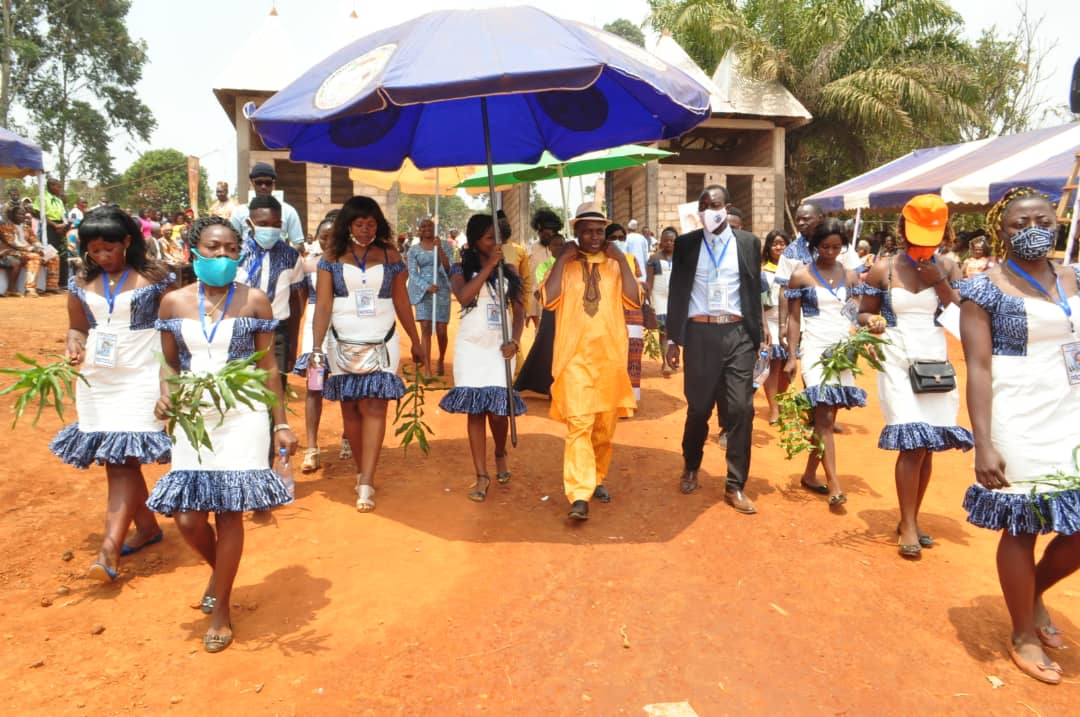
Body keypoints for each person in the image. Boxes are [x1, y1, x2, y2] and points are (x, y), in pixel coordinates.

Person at [148, 215, 296, 653]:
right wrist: (165, 395)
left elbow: (268, 366)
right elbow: (170, 365)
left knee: (229, 511)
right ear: (195, 252)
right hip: (194, 415)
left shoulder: (255, 301)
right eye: (214, 248)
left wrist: (282, 422)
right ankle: (220, 573)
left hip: (243, 414)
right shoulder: (172, 303)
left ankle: (222, 609)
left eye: (232, 249)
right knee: (189, 518)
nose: (223, 256)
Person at [958, 187, 1080, 686]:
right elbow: (979, 368)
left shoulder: (1074, 277)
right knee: (1025, 523)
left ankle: (1032, 592)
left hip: (1070, 410)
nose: (1032, 229)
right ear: (1000, 232)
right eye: (1017, 224)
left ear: (1058, 221)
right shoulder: (984, 288)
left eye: (1042, 219)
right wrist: (983, 441)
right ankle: (1022, 634)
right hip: (1017, 411)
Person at [48, 206, 174, 582]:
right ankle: (147, 528)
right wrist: (73, 345)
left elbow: (173, 328)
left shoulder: (155, 278)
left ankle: (108, 552)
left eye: (109, 248)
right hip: (98, 379)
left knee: (121, 462)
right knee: (119, 459)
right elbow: (77, 327)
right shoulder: (79, 283)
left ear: (128, 242)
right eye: (94, 250)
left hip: (141, 376)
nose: (102, 256)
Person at [855, 195, 971, 557]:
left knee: (929, 442)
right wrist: (870, 323)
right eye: (918, 235)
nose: (925, 244)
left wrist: (939, 281)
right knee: (912, 440)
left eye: (932, 237)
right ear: (904, 229)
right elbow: (860, 313)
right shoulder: (883, 268)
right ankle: (906, 523)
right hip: (895, 357)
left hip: (934, 360)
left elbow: (964, 316)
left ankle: (913, 518)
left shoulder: (950, 267)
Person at [310, 196, 424, 513]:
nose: (364, 229)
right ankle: (362, 469)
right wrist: (316, 348)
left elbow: (402, 302)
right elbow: (323, 306)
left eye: (371, 224)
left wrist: (415, 339)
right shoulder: (329, 258)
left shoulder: (391, 256)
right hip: (341, 342)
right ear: (348, 224)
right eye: (359, 224)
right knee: (351, 412)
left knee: (375, 406)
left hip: (383, 342)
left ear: (379, 225)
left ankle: (367, 480)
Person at [666, 185, 765, 514]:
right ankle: (691, 465)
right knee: (698, 409)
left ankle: (735, 484)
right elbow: (678, 292)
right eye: (704, 206)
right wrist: (671, 338)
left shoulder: (749, 244)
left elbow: (752, 292)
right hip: (700, 333)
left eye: (716, 205)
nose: (710, 211)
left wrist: (760, 334)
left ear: (728, 207)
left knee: (741, 409)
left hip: (738, 333)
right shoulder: (686, 244)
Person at [542, 204, 640, 520]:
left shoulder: (617, 264)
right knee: (580, 425)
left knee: (603, 428)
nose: (594, 237)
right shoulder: (564, 265)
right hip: (574, 358)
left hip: (609, 358)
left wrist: (621, 260)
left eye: (599, 231)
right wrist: (561, 259)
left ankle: (595, 477)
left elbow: (635, 299)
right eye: (587, 230)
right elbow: (547, 299)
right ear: (576, 233)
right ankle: (579, 494)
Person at [440, 213, 526, 500]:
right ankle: (481, 475)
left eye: (499, 237)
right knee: (476, 411)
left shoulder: (511, 270)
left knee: (499, 412)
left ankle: (500, 452)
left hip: (500, 348)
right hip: (471, 347)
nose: (496, 242)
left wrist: (515, 340)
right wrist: (489, 266)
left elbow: (519, 310)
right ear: (476, 240)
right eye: (490, 238)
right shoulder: (458, 268)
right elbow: (464, 296)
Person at [784, 218, 865, 507]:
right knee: (825, 417)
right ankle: (834, 484)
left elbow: (855, 314)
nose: (830, 252)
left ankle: (809, 474)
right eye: (825, 247)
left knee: (828, 416)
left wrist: (865, 339)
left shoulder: (852, 276)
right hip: (815, 349)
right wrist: (792, 356)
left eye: (836, 247)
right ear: (814, 246)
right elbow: (793, 318)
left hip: (842, 350)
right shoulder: (801, 275)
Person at [235, 194, 306, 382]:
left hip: (277, 333)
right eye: (263, 224)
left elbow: (296, 302)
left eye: (276, 225)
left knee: (274, 393)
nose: (271, 229)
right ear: (250, 224)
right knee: (243, 390)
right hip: (240, 331)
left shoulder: (291, 257)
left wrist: (292, 345)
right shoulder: (235, 254)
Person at [292, 216, 338, 473]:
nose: (328, 242)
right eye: (324, 237)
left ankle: (346, 439)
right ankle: (312, 447)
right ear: (317, 238)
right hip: (315, 329)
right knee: (314, 385)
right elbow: (302, 299)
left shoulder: (348, 264)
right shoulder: (308, 265)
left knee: (345, 384)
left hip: (342, 328)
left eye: (333, 237)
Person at [513, 232, 565, 397]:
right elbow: (542, 290)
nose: (559, 247)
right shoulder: (545, 266)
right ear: (549, 248)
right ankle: (550, 386)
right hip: (551, 312)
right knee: (548, 349)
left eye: (562, 244)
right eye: (556, 244)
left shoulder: (572, 264)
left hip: (568, 313)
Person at [406, 217, 453, 377]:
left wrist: (439, 249)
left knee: (441, 330)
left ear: (435, 228)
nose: (427, 228)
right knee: (425, 327)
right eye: (423, 226)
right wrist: (426, 286)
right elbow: (412, 272)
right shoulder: (413, 250)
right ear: (420, 230)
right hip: (423, 290)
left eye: (430, 226)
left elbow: (450, 267)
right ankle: (427, 368)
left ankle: (440, 359)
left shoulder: (444, 245)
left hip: (442, 289)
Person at [606, 223, 645, 402]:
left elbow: (638, 284)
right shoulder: (600, 261)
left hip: (632, 314)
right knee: (613, 357)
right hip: (610, 315)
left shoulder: (631, 259)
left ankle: (630, 398)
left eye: (622, 238)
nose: (618, 241)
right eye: (613, 238)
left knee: (633, 356)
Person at [230, 162, 306, 249]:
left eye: (268, 183)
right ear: (252, 182)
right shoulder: (239, 212)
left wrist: (283, 256)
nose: (263, 186)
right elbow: (232, 243)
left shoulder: (288, 211)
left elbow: (299, 244)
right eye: (259, 182)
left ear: (273, 183)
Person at [761, 229, 791, 423]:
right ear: (768, 247)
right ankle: (773, 409)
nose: (779, 247)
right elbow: (761, 300)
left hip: (793, 321)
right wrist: (763, 325)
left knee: (788, 367)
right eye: (775, 244)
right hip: (771, 319)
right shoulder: (763, 270)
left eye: (783, 243)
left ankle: (780, 402)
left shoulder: (795, 268)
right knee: (773, 366)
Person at [646, 226, 677, 377]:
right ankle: (665, 361)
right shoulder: (654, 258)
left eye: (672, 241)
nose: (669, 243)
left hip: (676, 297)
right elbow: (649, 282)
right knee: (664, 331)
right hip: (659, 298)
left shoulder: (681, 258)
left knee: (674, 330)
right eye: (666, 240)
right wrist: (648, 299)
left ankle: (673, 357)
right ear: (661, 241)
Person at [526, 208, 563, 328]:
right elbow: (528, 280)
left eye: (548, 234)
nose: (544, 236)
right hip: (537, 304)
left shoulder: (565, 249)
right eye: (542, 233)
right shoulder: (530, 250)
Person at [32, 177, 70, 291]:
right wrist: (54, 225)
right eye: (58, 186)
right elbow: (38, 214)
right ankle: (50, 284)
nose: (60, 188)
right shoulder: (41, 197)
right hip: (48, 227)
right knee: (51, 253)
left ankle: (63, 283)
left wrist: (64, 225)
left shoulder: (59, 200)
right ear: (51, 186)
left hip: (61, 228)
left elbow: (63, 214)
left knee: (63, 255)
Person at [623, 218, 650, 285]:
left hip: (630, 267)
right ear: (636, 229)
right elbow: (645, 255)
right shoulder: (642, 238)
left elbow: (624, 253)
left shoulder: (626, 238)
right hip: (642, 268)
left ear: (628, 229)